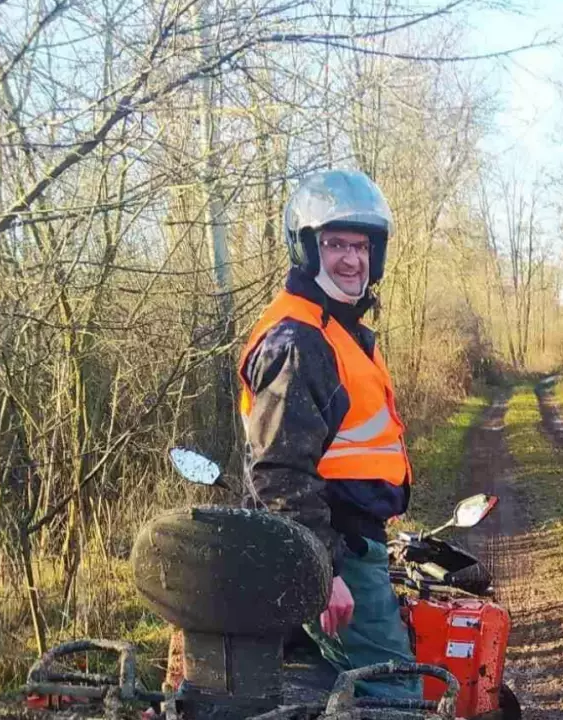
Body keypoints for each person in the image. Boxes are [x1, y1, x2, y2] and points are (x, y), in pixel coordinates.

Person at [237, 168, 416, 697]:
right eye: (335, 243)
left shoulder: (339, 329)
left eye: (361, 245)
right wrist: (323, 571)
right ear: (308, 249)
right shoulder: (299, 340)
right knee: (394, 695)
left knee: (335, 688)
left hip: (351, 541)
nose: (351, 258)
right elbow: (279, 473)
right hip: (334, 550)